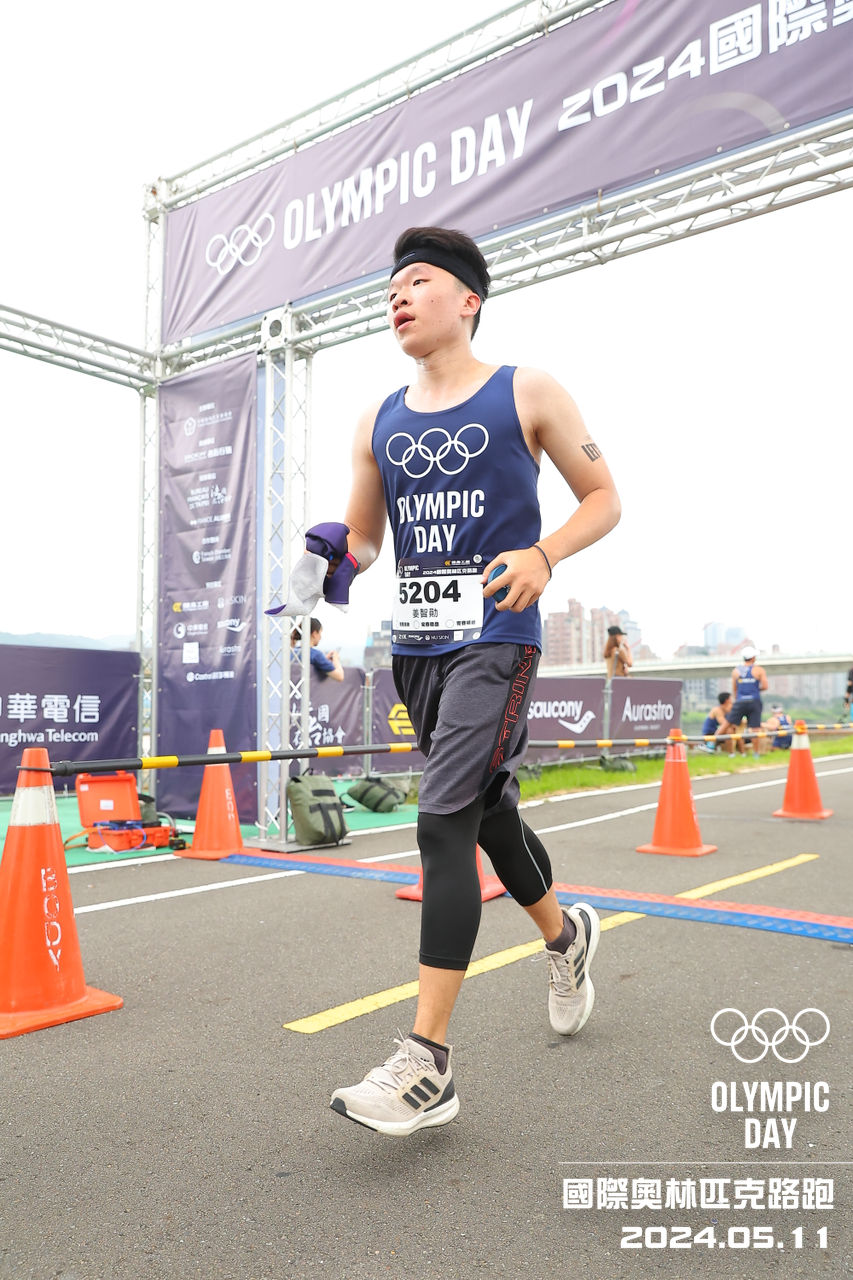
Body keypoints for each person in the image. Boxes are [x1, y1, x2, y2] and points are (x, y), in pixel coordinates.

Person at [323, 224, 621, 1136]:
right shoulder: (377, 419)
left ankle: (427, 1064)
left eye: (416, 282)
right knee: (486, 811)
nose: (398, 298)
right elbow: (364, 539)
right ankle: (565, 936)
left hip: (497, 636)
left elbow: (604, 498)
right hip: (416, 647)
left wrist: (544, 554)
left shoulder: (525, 389)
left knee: (440, 818)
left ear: (467, 299)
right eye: (390, 290)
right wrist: (330, 558)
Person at [719, 645, 768, 756]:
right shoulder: (759, 670)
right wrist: (755, 689)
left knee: (727, 723)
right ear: (753, 657)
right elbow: (765, 686)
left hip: (740, 701)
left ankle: (710, 744)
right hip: (754, 701)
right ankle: (756, 754)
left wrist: (739, 698)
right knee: (755, 729)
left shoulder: (736, 671)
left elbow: (734, 689)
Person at [290, 618, 344, 683]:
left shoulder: (292, 652)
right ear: (315, 634)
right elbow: (340, 677)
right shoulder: (316, 655)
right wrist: (336, 659)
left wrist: (324, 659)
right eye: (320, 633)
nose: (320, 637)